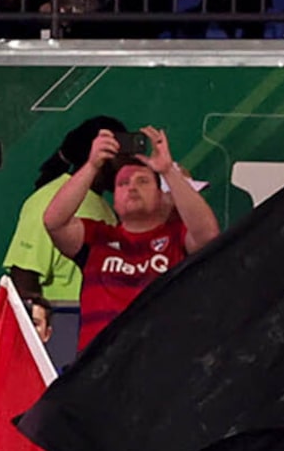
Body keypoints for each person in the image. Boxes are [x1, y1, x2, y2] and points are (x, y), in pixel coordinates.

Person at [39, 124, 220, 345]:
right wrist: (92, 165)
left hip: (161, 360)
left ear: (161, 195)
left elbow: (208, 236)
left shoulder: (178, 237)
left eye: (142, 181)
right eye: (122, 184)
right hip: (99, 368)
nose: (131, 187)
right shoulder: (97, 236)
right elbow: (53, 221)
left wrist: (167, 170)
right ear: (114, 201)